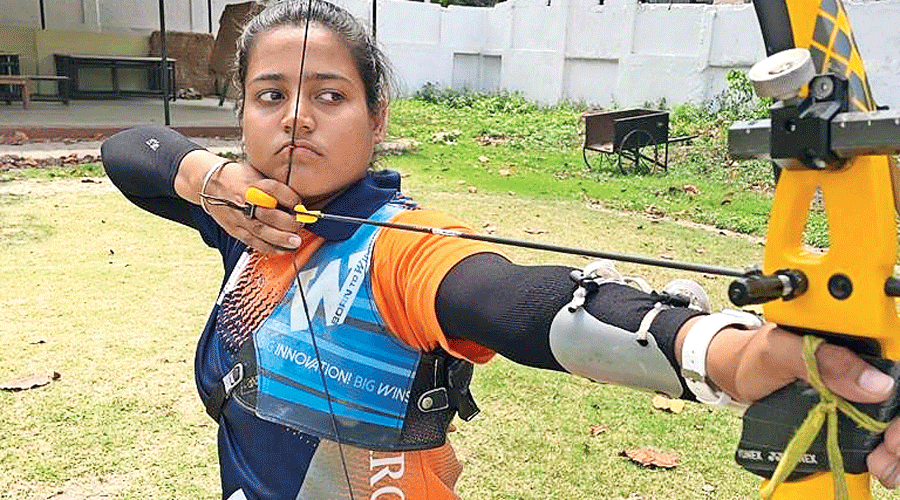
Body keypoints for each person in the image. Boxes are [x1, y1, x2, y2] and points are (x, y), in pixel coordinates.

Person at [100, 1, 900, 498]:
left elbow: (517, 303)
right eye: (270, 96)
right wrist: (207, 178)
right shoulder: (248, 220)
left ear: (377, 120)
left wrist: (722, 353)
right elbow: (129, 151)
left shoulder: (401, 250)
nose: (295, 119)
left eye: (330, 96)